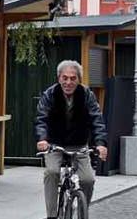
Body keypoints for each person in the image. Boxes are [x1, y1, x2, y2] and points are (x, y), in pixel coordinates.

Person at [35, 60, 108, 219]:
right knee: (52, 172)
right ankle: (51, 215)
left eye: (73, 78)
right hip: (55, 144)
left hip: (79, 145)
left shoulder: (87, 95)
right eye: (65, 78)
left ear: (79, 79)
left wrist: (101, 144)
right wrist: (42, 139)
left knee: (88, 179)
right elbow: (42, 119)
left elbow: (97, 120)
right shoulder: (50, 94)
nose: (68, 82)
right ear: (59, 78)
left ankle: (83, 210)